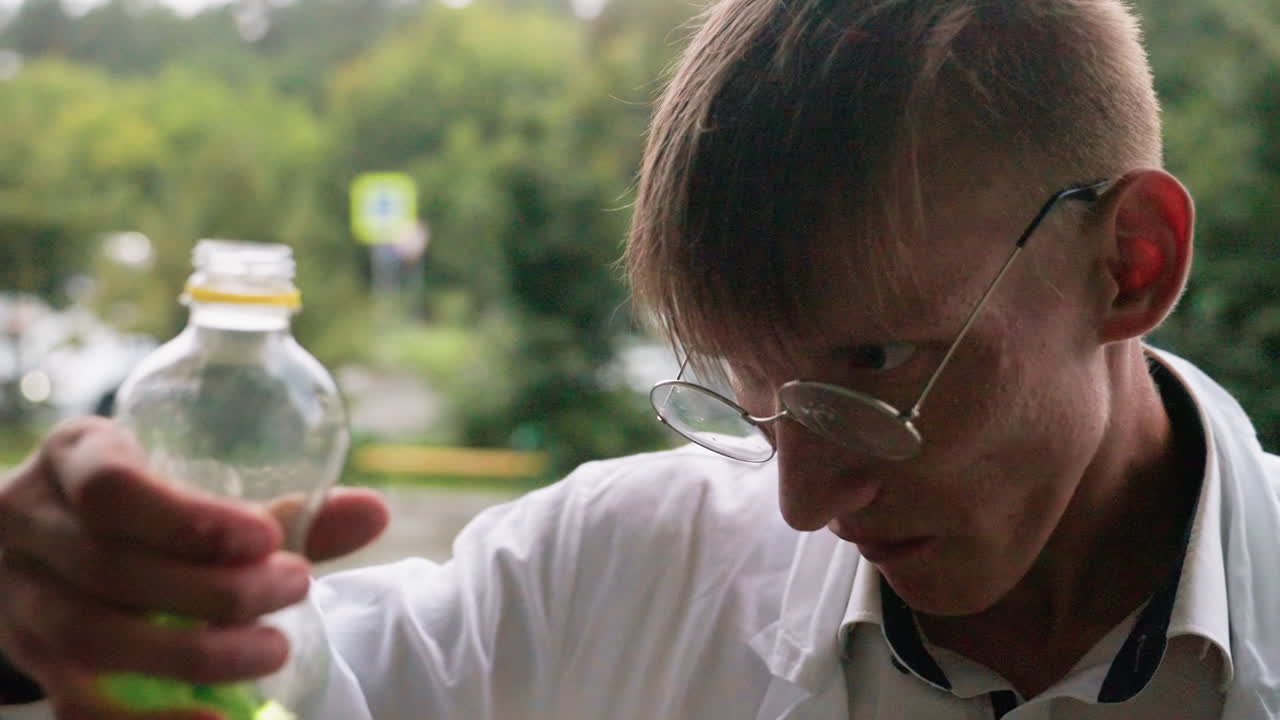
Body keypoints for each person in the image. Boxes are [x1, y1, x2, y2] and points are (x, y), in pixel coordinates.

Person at [2, 0, 1278, 717]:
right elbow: (311, 677)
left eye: (877, 366)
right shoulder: (607, 576)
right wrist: (70, 599)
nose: (797, 502)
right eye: (751, 388)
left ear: (1131, 265)